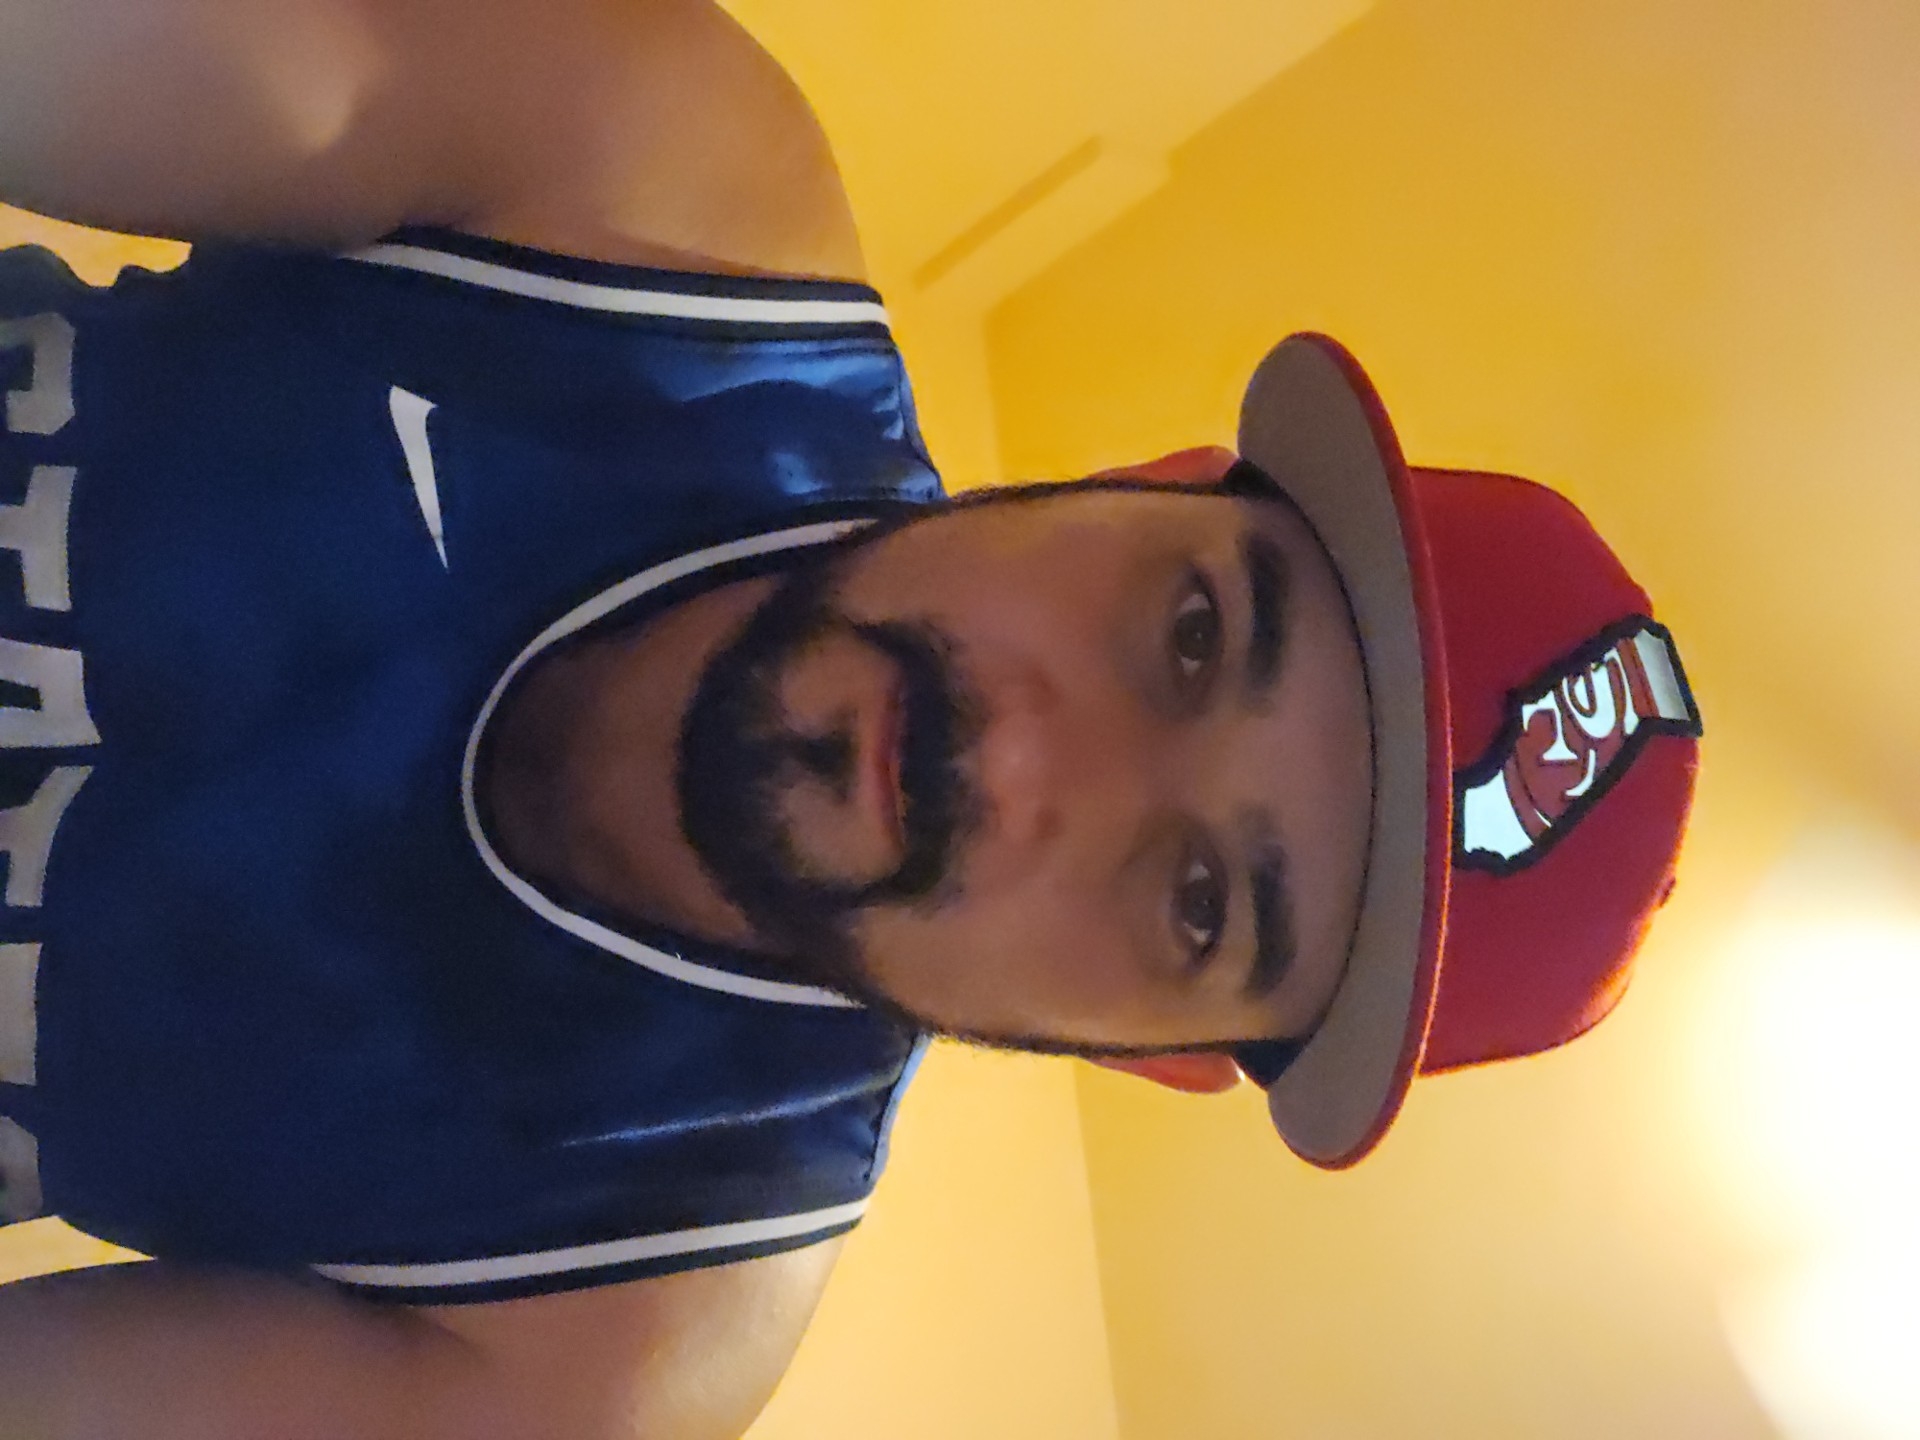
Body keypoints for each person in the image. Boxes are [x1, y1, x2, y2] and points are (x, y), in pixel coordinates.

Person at [0, 1, 1703, 1436]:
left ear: (1158, 1054)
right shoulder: (655, 187)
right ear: (1154, 478)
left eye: (1199, 905)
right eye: (1190, 632)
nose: (1028, 761)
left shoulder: (611, 1331)